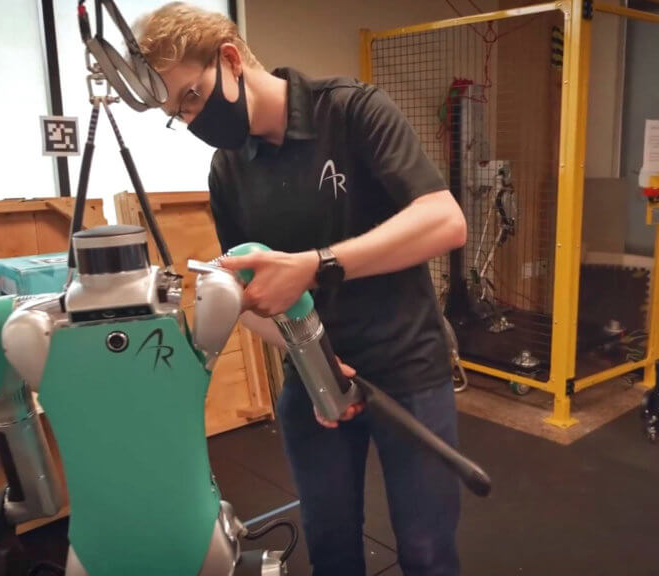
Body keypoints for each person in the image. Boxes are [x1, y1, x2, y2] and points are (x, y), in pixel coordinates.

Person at [133, 4, 467, 575]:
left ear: (231, 61)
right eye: (175, 114)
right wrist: (313, 360)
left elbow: (445, 221)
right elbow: (249, 294)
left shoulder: (353, 109)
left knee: (426, 549)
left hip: (408, 369)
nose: (189, 120)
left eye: (189, 98)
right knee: (330, 544)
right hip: (315, 379)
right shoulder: (228, 169)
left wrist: (316, 266)